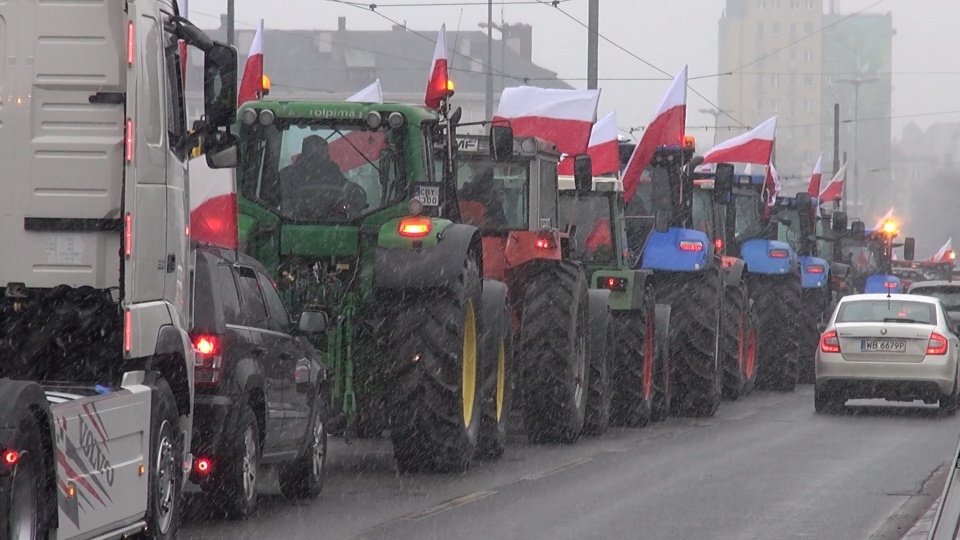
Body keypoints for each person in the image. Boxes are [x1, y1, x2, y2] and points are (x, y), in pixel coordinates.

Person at [279, 135, 366, 220]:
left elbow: (272, 200)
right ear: (316, 151)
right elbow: (347, 188)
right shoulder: (331, 172)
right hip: (333, 222)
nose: (328, 154)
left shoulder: (287, 173)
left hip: (292, 223)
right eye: (326, 151)